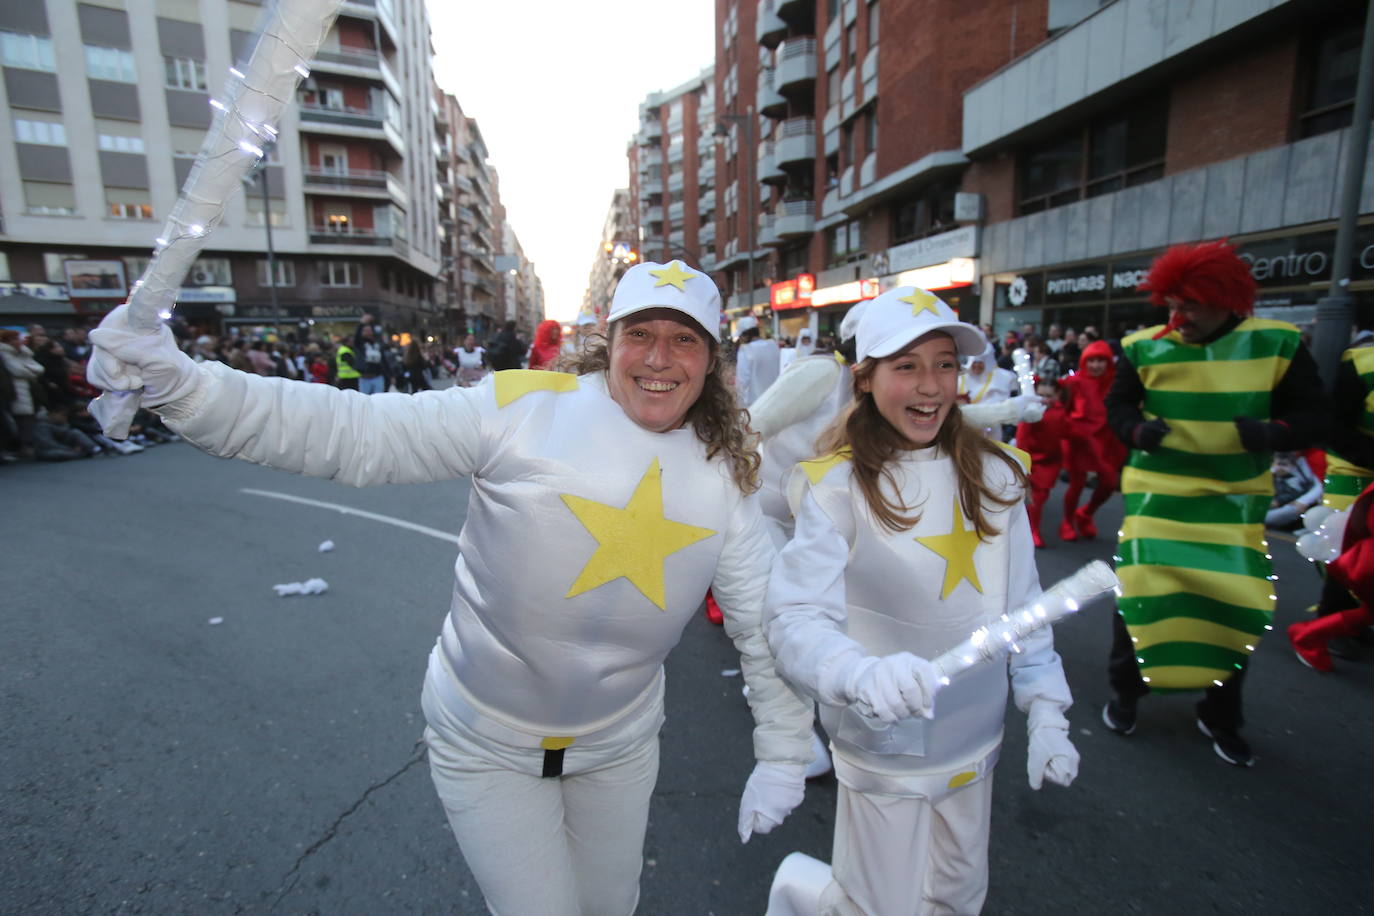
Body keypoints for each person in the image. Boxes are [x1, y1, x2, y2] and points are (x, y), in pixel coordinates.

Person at [85, 259, 814, 916]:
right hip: (486, 742)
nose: (660, 358)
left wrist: (783, 755)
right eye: (642, 334)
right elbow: (351, 431)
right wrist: (186, 389)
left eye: (685, 340)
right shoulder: (523, 410)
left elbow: (762, 626)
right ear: (610, 339)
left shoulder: (724, 476)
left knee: (612, 906)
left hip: (620, 748)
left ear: (711, 359)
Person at [762, 286, 1078, 916]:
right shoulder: (836, 487)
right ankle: (799, 891)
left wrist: (1047, 711)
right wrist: (858, 674)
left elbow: (1025, 606)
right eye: (905, 366)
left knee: (960, 899)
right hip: (883, 743)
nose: (930, 385)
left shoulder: (998, 475)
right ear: (867, 379)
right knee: (876, 908)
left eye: (943, 363)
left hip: (975, 736)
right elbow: (794, 620)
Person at [1102, 239, 1328, 767]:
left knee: (1232, 609)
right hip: (1157, 501)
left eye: (1190, 305)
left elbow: (1318, 415)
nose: (1177, 317)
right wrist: (1135, 429)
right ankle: (1127, 695)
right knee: (1140, 604)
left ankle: (1221, 714)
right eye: (1171, 304)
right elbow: (1118, 404)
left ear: (1227, 300)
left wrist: (1274, 432)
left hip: (1234, 507)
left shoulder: (1277, 344)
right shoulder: (1144, 346)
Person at [1288, 480, 1374, 672]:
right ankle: (1307, 635)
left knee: (1367, 613)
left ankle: (1308, 634)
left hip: (1364, 558)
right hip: (1366, 560)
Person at [1058, 339, 1126, 542]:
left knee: (1109, 482)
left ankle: (1086, 514)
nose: (1096, 365)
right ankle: (1068, 521)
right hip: (1078, 441)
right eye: (1091, 360)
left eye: (1100, 360)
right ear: (1084, 361)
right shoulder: (1074, 383)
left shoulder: (1116, 382)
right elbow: (1061, 408)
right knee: (1076, 484)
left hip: (1106, 441)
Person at [1015, 376, 1067, 548]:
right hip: (1034, 461)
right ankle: (1033, 530)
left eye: (1050, 395)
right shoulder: (1031, 412)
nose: (1046, 400)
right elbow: (1022, 438)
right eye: (1042, 395)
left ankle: (1030, 525)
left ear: (1057, 395)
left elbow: (1068, 432)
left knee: (1042, 496)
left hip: (1051, 461)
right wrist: (1024, 464)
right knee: (1038, 496)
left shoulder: (1061, 411)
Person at [735, 315, 781, 406]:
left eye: (741, 336)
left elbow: (742, 381)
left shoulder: (745, 350)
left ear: (746, 335)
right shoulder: (773, 345)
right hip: (776, 401)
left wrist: (738, 404)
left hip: (756, 405)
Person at [355, 325, 387, 394]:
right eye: (365, 330)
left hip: (377, 376)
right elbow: (356, 338)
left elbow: (384, 360)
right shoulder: (360, 344)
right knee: (364, 399)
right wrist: (362, 323)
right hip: (365, 377)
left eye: (369, 330)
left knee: (378, 398)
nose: (368, 332)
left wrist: (390, 375)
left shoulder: (378, 343)